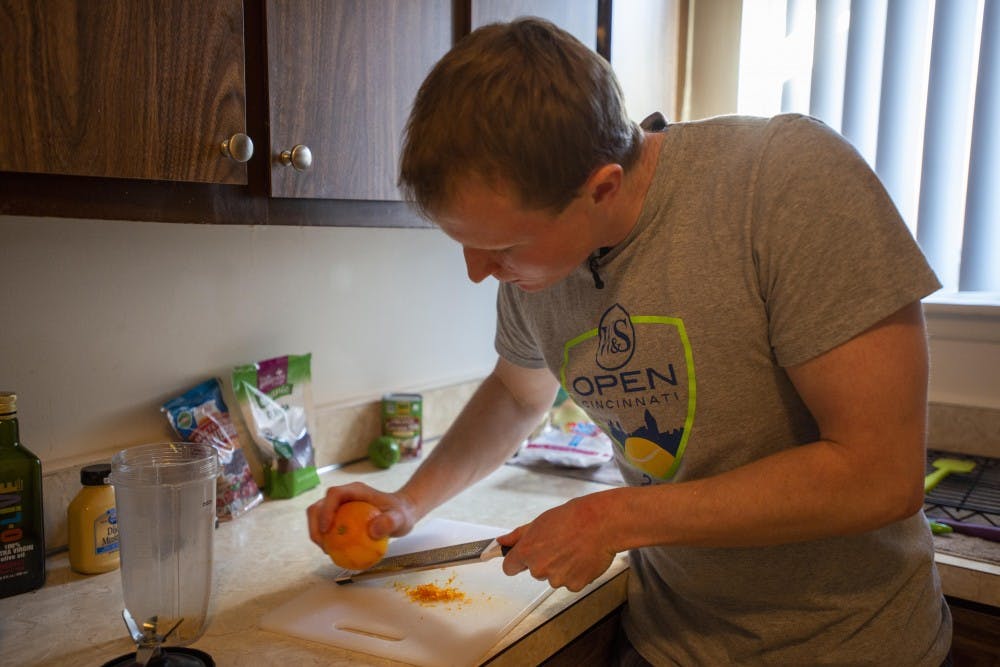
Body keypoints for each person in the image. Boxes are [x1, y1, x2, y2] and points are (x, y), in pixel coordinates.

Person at [307, 17, 951, 666]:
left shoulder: (786, 183)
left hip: (848, 646)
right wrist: (407, 501)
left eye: (500, 247)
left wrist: (618, 518)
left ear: (603, 188)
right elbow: (515, 391)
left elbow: (880, 473)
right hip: (667, 639)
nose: (478, 271)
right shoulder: (542, 260)